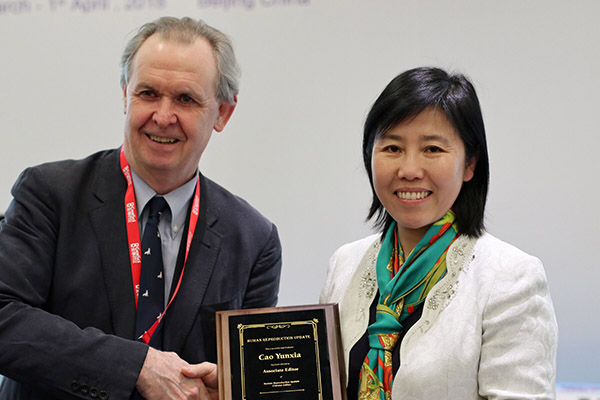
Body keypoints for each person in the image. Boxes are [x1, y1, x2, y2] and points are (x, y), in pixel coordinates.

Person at [0, 17, 282, 400]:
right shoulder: (50, 194)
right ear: (125, 95)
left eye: (186, 99)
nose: (163, 117)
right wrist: (136, 366)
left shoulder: (254, 239)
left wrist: (234, 385)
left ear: (222, 113)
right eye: (148, 93)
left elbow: (254, 375)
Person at [320, 67, 558, 399]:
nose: (409, 170)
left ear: (470, 163)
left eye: (432, 149)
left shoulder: (511, 278)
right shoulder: (345, 264)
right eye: (392, 148)